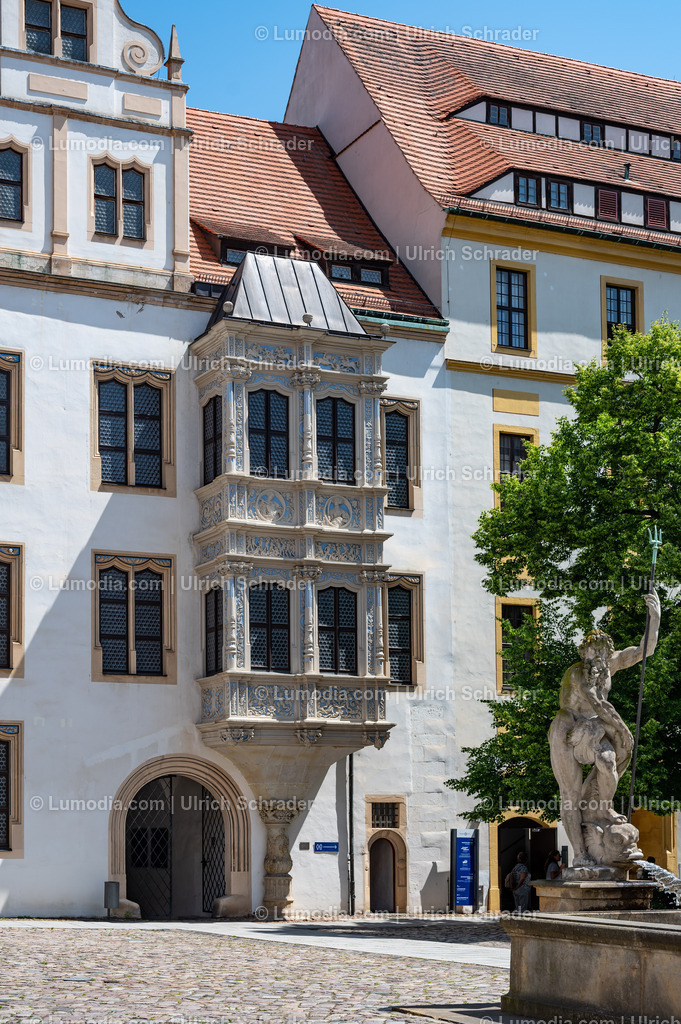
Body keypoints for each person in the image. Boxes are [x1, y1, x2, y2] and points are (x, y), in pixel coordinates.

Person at [548, 591, 661, 866]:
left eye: (601, 653)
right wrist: (621, 729)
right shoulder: (578, 673)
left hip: (595, 726)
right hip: (567, 728)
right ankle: (579, 854)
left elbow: (645, 650)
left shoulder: (610, 665)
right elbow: (598, 703)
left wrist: (655, 618)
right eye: (591, 653)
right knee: (570, 794)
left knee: (608, 759)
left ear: (609, 654)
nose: (596, 659)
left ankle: (605, 807)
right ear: (582, 653)